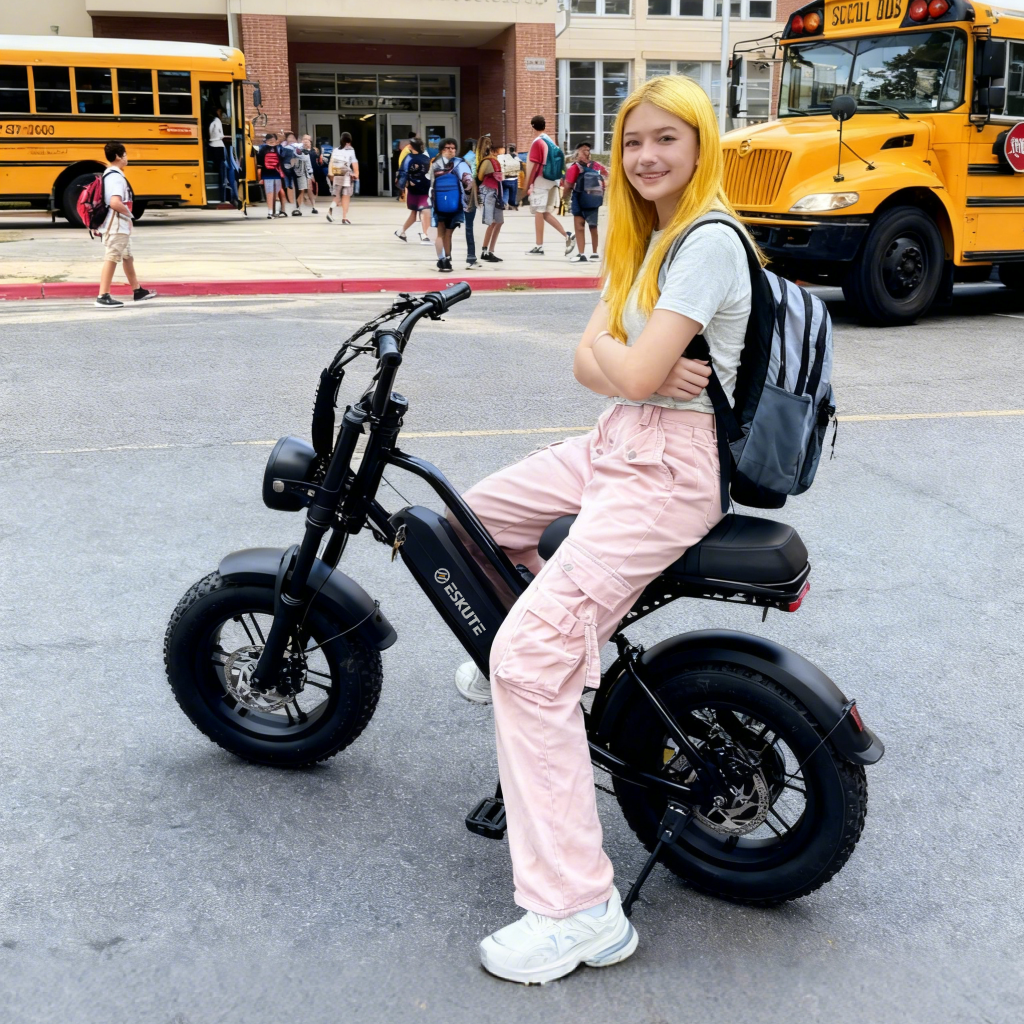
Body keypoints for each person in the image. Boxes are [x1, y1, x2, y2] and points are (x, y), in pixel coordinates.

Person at [447, 74, 756, 983]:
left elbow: (618, 362)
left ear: (701, 145)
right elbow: (591, 364)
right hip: (618, 441)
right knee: (464, 519)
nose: (648, 155)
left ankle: (578, 910)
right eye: (633, 141)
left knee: (528, 667)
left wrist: (627, 371)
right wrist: (632, 372)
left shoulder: (707, 243)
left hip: (667, 470)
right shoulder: (647, 236)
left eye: (668, 138)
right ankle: (533, 633)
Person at [94, 141, 157, 308]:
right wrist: (130, 215)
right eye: (125, 154)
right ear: (117, 156)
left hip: (119, 224)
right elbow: (115, 202)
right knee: (112, 256)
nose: (127, 157)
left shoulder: (110, 174)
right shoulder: (116, 177)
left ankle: (138, 290)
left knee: (127, 256)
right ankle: (103, 295)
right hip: (116, 224)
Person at [524, 115, 575, 256]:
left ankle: (539, 246)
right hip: (553, 180)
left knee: (538, 212)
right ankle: (567, 235)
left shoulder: (537, 142)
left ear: (532, 126)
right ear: (544, 126)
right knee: (545, 213)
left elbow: (534, 165)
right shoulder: (549, 141)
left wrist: (529, 184)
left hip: (541, 180)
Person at [428, 137, 473, 273]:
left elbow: (429, 183)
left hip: (441, 203)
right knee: (446, 234)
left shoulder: (434, 164)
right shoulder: (460, 163)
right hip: (453, 203)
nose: (451, 150)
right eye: (448, 148)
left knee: (442, 234)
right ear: (442, 149)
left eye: (453, 148)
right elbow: (468, 181)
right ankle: (446, 259)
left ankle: (443, 259)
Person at [564, 141, 609, 263]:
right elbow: (607, 176)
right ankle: (595, 254)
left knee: (579, 227)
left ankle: (581, 254)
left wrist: (564, 199)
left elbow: (568, 185)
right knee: (593, 226)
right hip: (594, 200)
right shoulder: (596, 166)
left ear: (577, 153)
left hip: (579, 200)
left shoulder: (575, 167)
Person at [394, 138, 432, 245]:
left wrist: (405, 185)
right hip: (424, 188)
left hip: (415, 189)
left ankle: (422, 235)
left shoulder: (408, 158)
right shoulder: (425, 158)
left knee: (422, 211)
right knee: (421, 211)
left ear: (411, 146)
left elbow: (403, 173)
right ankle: (422, 235)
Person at [475, 135, 505, 263]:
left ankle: (489, 250)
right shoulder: (489, 161)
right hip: (490, 192)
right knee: (492, 221)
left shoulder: (487, 161)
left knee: (497, 221)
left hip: (493, 191)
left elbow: (480, 176)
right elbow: (481, 176)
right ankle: (485, 250)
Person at [327, 132, 358, 224]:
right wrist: (356, 173)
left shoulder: (336, 150)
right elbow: (354, 163)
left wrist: (330, 174)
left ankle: (330, 211)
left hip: (337, 175)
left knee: (336, 197)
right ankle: (344, 217)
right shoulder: (350, 150)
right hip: (346, 176)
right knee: (346, 196)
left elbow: (331, 163)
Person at [207, 106, 233, 208]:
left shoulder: (212, 121)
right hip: (218, 146)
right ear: (217, 111)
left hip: (213, 145)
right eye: (221, 112)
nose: (222, 115)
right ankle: (222, 196)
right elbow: (218, 135)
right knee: (222, 173)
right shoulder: (216, 121)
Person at [460, 138, 479, 269]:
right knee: (469, 227)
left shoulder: (459, 159)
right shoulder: (473, 159)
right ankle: (471, 255)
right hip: (469, 196)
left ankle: (446, 256)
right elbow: (476, 176)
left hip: (459, 195)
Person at [256, 132, 285, 218]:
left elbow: (283, 157)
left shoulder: (280, 148)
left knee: (276, 193)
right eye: (269, 140)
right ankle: (270, 212)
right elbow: (259, 161)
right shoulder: (262, 149)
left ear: (276, 140)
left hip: (277, 173)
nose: (271, 142)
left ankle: (273, 211)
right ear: (266, 141)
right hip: (267, 174)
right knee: (269, 193)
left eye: (273, 140)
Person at [281, 131, 302, 215]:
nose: (291, 139)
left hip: (296, 170)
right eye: (289, 137)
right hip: (286, 170)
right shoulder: (283, 147)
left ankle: (297, 207)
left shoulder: (298, 148)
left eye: (293, 138)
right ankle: (285, 207)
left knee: (298, 187)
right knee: (286, 187)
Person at [301, 135, 319, 214]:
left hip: (309, 172)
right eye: (304, 139)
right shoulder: (298, 150)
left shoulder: (313, 151)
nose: (306, 141)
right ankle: (299, 206)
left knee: (310, 189)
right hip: (300, 172)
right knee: (300, 190)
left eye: (307, 140)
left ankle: (313, 206)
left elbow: (314, 161)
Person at [499, 143, 520, 211]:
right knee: (513, 193)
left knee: (504, 191)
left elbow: (501, 166)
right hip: (514, 178)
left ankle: (504, 203)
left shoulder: (503, 157)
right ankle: (511, 205)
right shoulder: (516, 158)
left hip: (505, 178)